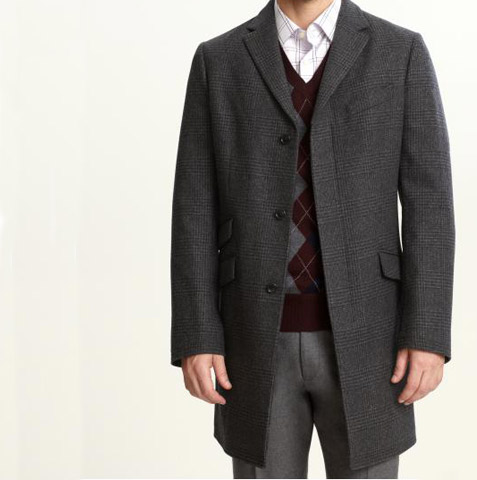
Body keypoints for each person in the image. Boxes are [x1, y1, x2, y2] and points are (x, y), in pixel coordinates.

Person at [170, 0, 455, 478]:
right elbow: (194, 209)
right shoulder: (218, 61)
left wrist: (426, 333)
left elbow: (430, 205)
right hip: (253, 341)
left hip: (372, 342)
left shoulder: (399, 53)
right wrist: (197, 334)